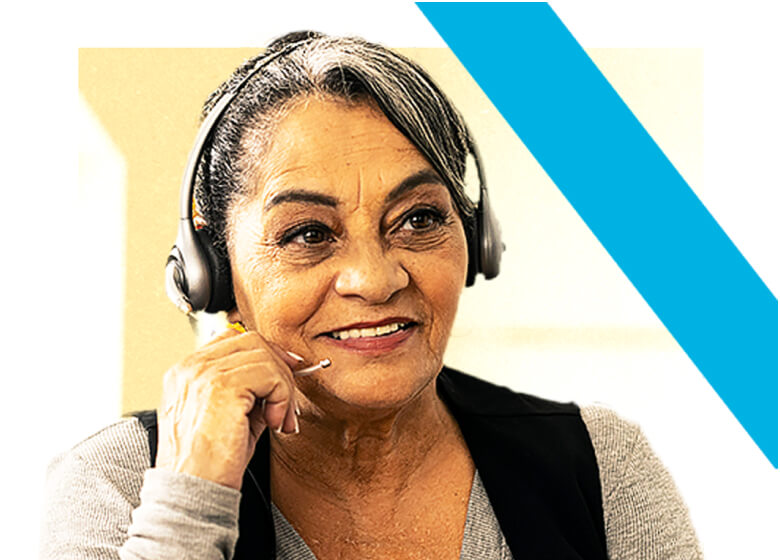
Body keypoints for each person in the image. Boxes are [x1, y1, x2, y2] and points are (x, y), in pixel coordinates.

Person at [42, 31, 702, 559]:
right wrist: (191, 500)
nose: (376, 278)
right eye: (307, 233)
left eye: (418, 219)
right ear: (213, 271)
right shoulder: (120, 484)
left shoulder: (600, 469)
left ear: (476, 241)